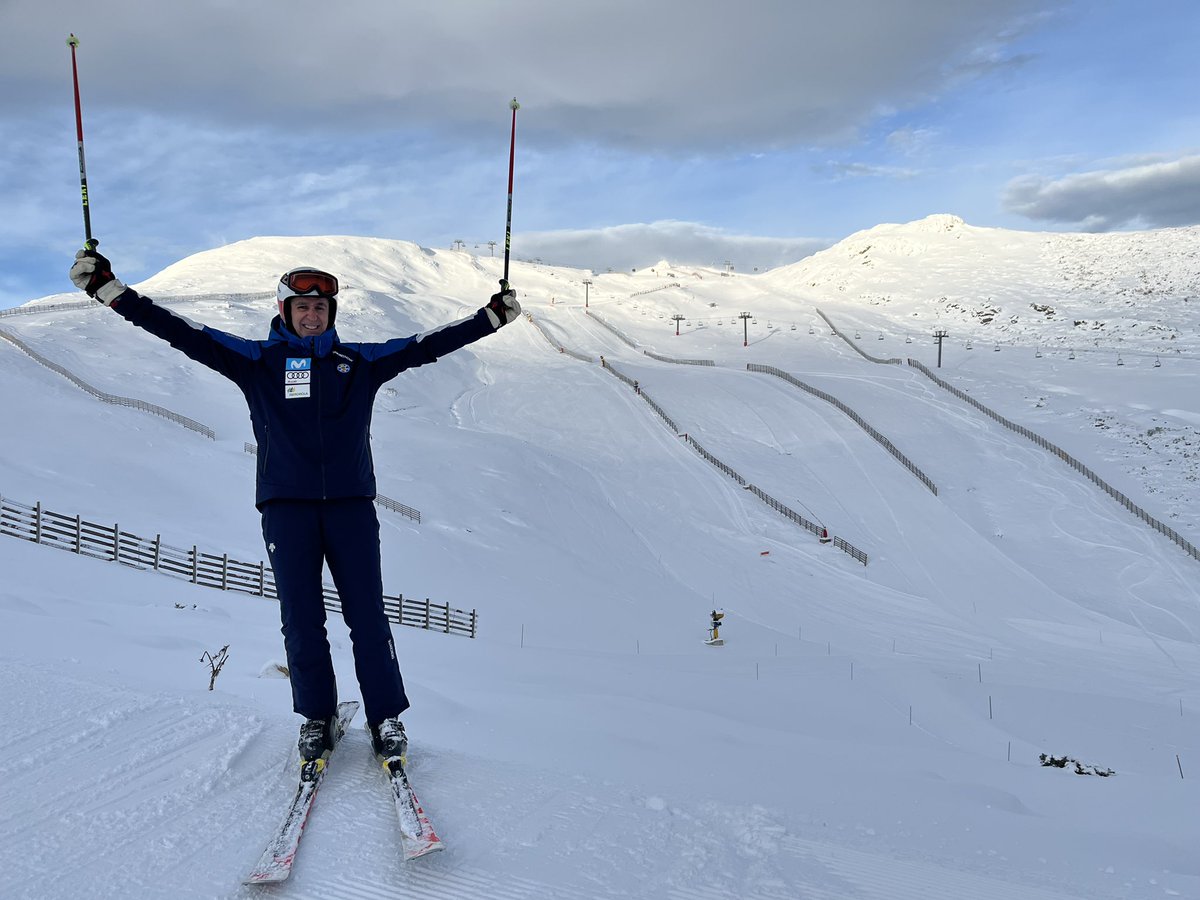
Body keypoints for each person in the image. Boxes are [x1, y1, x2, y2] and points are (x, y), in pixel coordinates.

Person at [69, 246, 521, 772]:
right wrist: (110, 291)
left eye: (321, 309)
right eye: (302, 308)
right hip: (286, 509)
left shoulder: (360, 364)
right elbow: (184, 334)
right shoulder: (258, 362)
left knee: (368, 617)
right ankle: (316, 717)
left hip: (351, 507)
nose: (312, 316)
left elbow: (426, 346)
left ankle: (385, 718)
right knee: (301, 620)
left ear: (331, 315)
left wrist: (490, 319)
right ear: (284, 311)